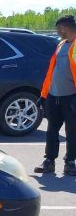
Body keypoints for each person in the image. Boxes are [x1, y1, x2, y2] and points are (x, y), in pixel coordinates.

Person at [35, 15, 76, 175]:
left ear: (63, 28)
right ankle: (49, 161)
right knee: (51, 131)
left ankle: (70, 162)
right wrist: (44, 95)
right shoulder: (61, 44)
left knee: (72, 132)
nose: (57, 31)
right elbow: (52, 72)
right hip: (54, 96)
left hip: (71, 97)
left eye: (58, 28)